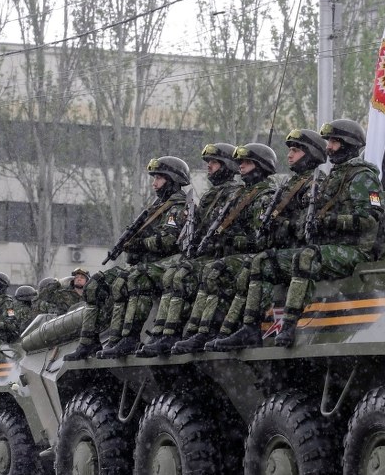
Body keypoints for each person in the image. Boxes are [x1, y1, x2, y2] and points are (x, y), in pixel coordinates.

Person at [221, 119, 385, 349]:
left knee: (305, 257)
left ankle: (289, 325)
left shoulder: (363, 176)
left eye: (334, 142)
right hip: (328, 248)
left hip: (355, 251)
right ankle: (250, 327)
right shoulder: (332, 177)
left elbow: (369, 219)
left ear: (348, 144)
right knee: (263, 262)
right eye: (328, 142)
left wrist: (328, 221)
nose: (328, 147)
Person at [101, 143, 241, 358]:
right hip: (199, 255)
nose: (209, 167)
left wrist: (141, 244)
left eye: (214, 162)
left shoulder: (226, 196)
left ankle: (170, 333)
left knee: (176, 275)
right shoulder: (206, 197)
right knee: (117, 281)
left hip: (212, 257)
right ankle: (122, 336)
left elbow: (169, 240)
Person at [144, 143, 278, 355]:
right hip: (215, 252)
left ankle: (206, 331)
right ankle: (168, 332)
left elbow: (259, 236)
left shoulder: (258, 194)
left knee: (209, 273)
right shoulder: (225, 195)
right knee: (175, 274)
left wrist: (227, 240)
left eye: (214, 163)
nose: (209, 167)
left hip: (239, 255)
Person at [208, 129, 327, 351]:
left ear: (310, 153)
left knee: (261, 262)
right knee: (258, 263)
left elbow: (306, 225)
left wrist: (281, 228)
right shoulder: (289, 185)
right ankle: (247, 328)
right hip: (283, 249)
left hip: (301, 249)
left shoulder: (315, 183)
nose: (289, 155)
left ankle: (288, 324)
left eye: (295, 150)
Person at [64, 155, 192, 361]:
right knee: (96, 284)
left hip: (169, 263)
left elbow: (168, 241)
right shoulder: (155, 207)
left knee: (135, 278)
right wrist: (132, 248)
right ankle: (89, 341)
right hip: (146, 264)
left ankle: (129, 338)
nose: (154, 183)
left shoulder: (177, 207)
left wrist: (140, 243)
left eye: (159, 178)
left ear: (171, 179)